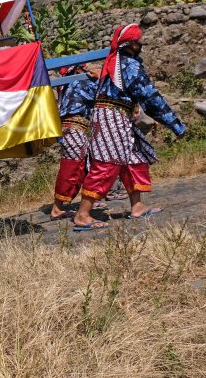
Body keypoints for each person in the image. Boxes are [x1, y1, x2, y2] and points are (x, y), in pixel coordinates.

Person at [74, 24, 186, 231]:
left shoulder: (116, 64)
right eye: (139, 41)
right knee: (107, 162)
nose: (141, 44)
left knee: (135, 157)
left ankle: (137, 206)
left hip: (116, 115)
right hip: (113, 115)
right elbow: (151, 99)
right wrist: (176, 125)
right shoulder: (129, 66)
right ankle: (82, 214)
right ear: (132, 44)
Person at [50, 64, 99, 220]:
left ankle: (88, 200)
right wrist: (99, 76)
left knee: (82, 165)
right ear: (78, 70)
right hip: (74, 127)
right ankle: (57, 208)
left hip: (75, 128)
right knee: (72, 166)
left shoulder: (68, 84)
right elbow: (100, 93)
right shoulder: (78, 83)